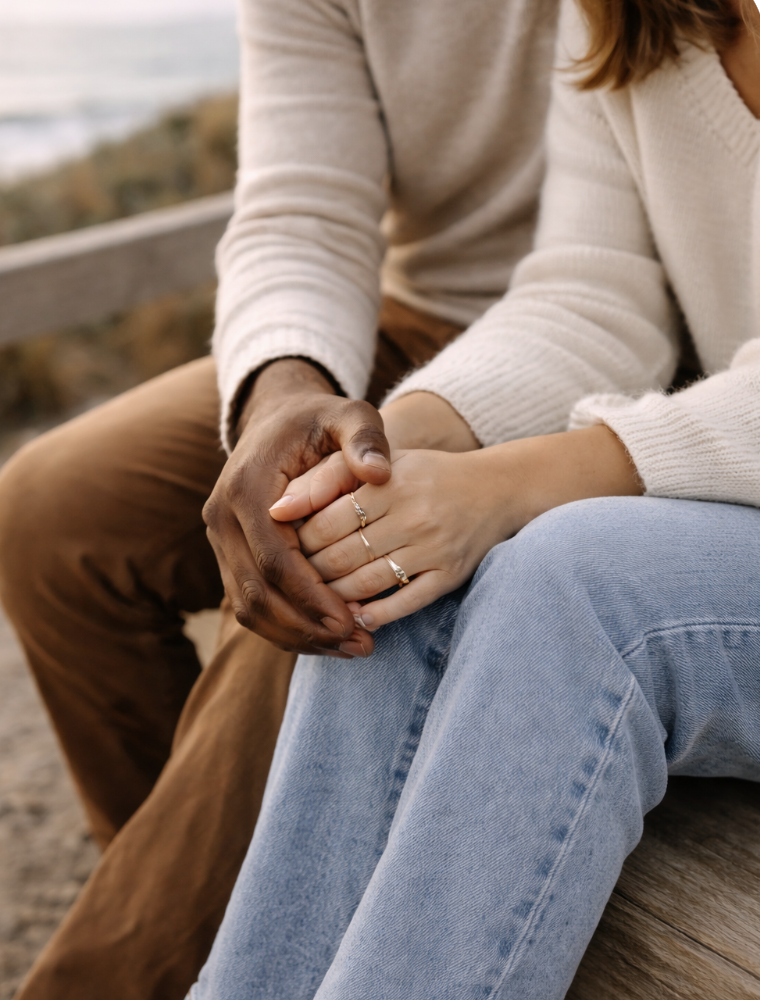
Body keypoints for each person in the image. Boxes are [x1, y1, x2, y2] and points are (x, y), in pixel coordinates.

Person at [186, 0, 760, 996]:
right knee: (389, 561)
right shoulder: (626, 14)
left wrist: (508, 484)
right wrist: (383, 455)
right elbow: (594, 292)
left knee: (578, 578)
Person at [0, 2, 563, 998]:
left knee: (321, 549)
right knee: (51, 512)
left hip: (617, 341)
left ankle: (142, 963)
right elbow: (301, 208)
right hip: (419, 311)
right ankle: (194, 924)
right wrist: (286, 392)